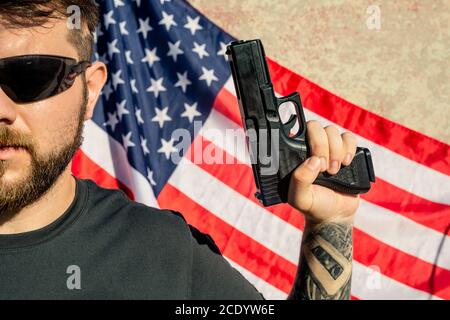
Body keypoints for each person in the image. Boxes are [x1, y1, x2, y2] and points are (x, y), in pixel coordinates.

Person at [0, 0, 359, 300]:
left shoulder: (161, 249)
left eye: (33, 76)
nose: (1, 109)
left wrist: (331, 223)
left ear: (90, 90)